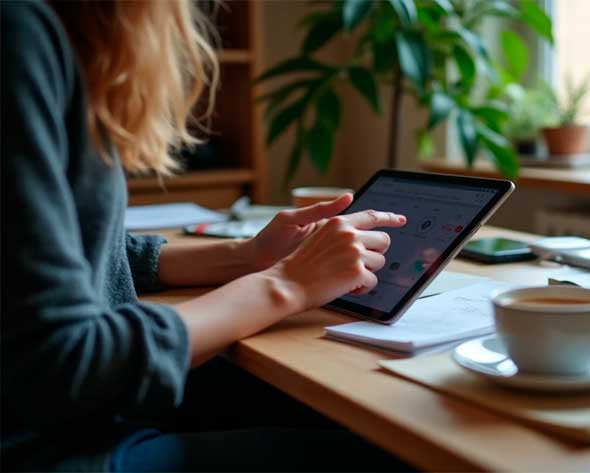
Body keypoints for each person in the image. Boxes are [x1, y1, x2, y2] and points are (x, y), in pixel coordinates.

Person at [1, 1, 408, 471]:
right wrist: (287, 285)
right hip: (42, 445)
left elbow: (62, 253)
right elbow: (63, 363)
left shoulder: (53, 30)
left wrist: (247, 256)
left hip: (67, 416)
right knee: (391, 451)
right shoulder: (16, 32)